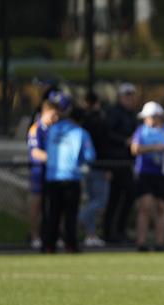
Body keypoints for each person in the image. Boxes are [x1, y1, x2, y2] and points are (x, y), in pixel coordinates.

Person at [42, 92, 96, 253]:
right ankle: (70, 245)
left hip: (52, 177)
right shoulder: (80, 133)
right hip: (71, 177)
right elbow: (90, 156)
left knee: (52, 214)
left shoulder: (52, 130)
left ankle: (49, 245)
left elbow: (47, 150)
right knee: (70, 215)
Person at [130, 101, 164, 252]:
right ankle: (141, 242)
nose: (146, 120)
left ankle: (160, 243)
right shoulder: (141, 131)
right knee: (145, 206)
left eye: (148, 117)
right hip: (146, 172)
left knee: (162, 207)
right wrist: (153, 148)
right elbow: (134, 149)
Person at [104, 82, 138, 243]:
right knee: (116, 197)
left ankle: (118, 230)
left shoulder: (132, 115)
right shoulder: (114, 113)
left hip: (126, 161)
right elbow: (107, 134)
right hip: (116, 161)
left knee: (125, 196)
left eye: (132, 96)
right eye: (127, 96)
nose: (130, 99)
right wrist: (125, 141)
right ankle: (111, 231)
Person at [26, 95, 61, 249]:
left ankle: (54, 235)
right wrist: (57, 158)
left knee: (55, 205)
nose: (56, 118)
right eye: (53, 114)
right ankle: (34, 236)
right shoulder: (36, 129)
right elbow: (35, 153)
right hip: (39, 172)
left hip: (53, 173)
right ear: (45, 112)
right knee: (37, 204)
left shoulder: (55, 129)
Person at [78, 92, 111, 247]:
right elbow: (104, 146)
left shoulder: (84, 122)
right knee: (100, 201)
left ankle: (90, 235)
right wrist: (107, 167)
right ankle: (81, 217)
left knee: (93, 199)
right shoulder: (100, 121)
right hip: (97, 166)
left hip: (87, 166)